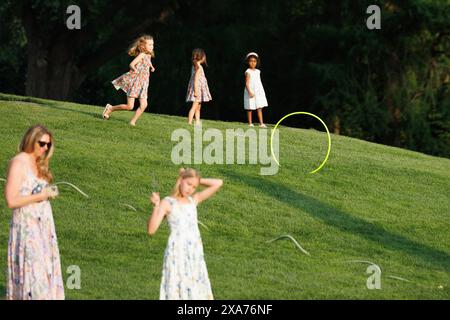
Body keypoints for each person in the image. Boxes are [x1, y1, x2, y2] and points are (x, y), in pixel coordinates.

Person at [4, 125, 64, 300]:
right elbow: (11, 200)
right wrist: (40, 195)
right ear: (31, 140)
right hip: (27, 229)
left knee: (45, 277)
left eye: (48, 145)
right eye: (42, 143)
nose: (45, 148)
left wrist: (47, 194)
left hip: (44, 229)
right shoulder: (19, 162)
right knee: (34, 279)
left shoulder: (39, 164)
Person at [148, 168, 223, 300]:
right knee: (177, 289)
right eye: (188, 184)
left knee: (196, 289)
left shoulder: (193, 200)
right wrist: (156, 206)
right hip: (177, 253)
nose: (190, 189)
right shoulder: (168, 202)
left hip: (194, 253)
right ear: (181, 180)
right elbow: (151, 229)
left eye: (194, 186)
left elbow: (218, 183)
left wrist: (198, 180)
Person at [103, 34, 156, 126]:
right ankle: (110, 108)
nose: (152, 46)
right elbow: (131, 64)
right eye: (150, 45)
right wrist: (135, 69)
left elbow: (148, 61)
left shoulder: (148, 55)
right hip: (136, 83)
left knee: (144, 105)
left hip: (144, 84)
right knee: (129, 106)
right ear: (143, 46)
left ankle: (132, 122)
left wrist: (151, 67)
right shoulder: (142, 54)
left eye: (153, 44)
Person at [186, 48, 212, 125]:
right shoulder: (199, 67)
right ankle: (189, 122)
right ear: (202, 57)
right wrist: (197, 91)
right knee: (194, 107)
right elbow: (196, 80)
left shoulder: (195, 65)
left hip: (197, 89)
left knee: (198, 107)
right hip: (197, 89)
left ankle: (197, 121)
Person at [243, 52, 268, 127]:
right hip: (250, 90)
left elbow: (258, 82)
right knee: (250, 107)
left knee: (259, 107)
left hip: (258, 90)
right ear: (248, 62)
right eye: (251, 61)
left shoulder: (258, 71)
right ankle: (250, 123)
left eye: (254, 61)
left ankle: (261, 123)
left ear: (257, 62)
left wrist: (261, 91)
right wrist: (250, 92)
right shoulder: (248, 72)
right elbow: (247, 83)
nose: (253, 63)